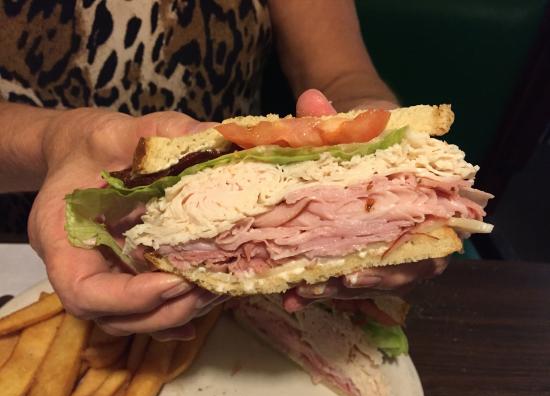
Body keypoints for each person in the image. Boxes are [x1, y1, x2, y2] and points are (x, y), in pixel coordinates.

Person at [0, 1, 446, 341]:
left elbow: (341, 72)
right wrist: (51, 142)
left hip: (260, 245)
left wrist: (386, 174)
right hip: (22, 230)